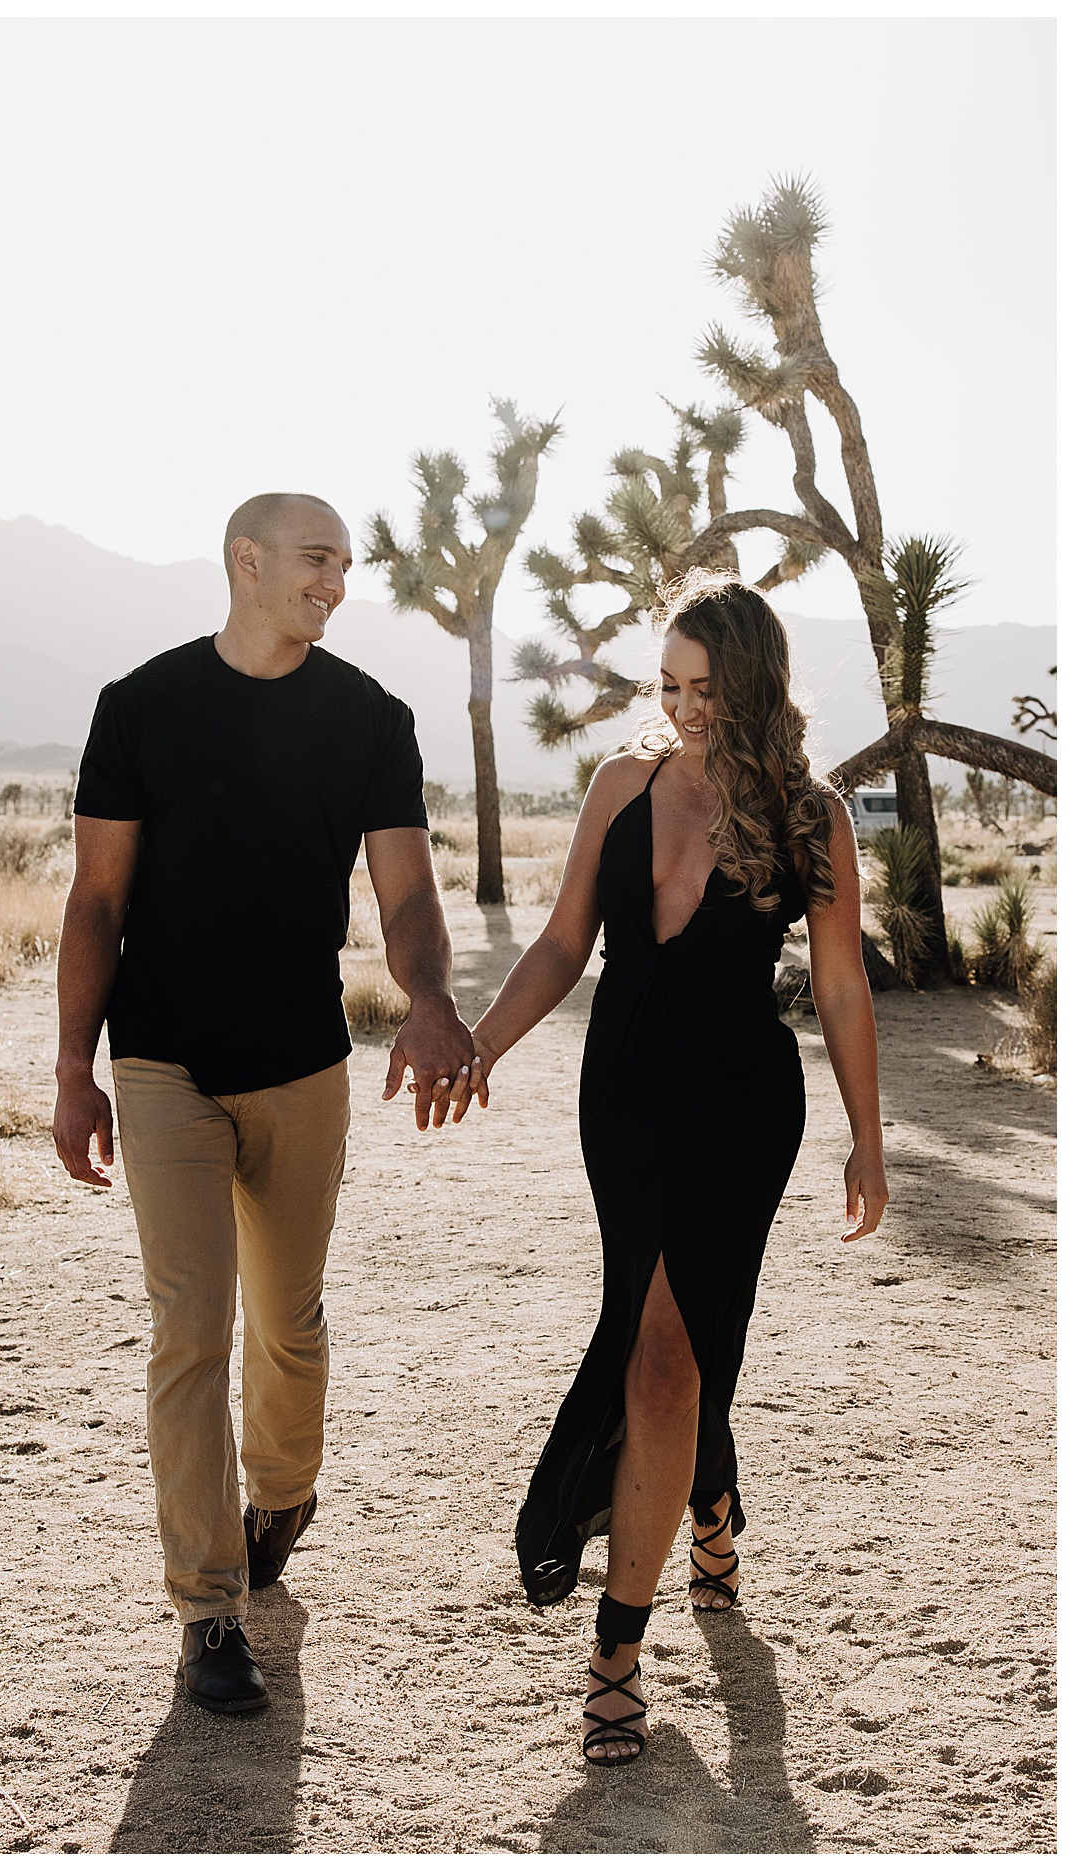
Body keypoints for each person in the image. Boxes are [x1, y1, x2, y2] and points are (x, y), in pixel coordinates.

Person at [52, 491, 481, 1717]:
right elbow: (96, 901)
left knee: (287, 1325)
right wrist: (72, 1068)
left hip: (302, 1062)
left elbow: (404, 895)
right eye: (313, 560)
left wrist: (432, 999)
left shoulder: (368, 719)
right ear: (244, 562)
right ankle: (207, 1607)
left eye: (344, 565)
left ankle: (280, 1495)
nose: (335, 583)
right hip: (163, 1061)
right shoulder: (138, 707)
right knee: (191, 1327)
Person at [469, 573, 887, 1765]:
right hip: (627, 1101)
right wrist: (482, 1045)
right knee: (670, 1330)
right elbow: (560, 942)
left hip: (739, 1106)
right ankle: (708, 1504)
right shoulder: (621, 783)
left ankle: (614, 1654)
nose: (684, 707)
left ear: (752, 684)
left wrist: (868, 1135)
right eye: (668, 685)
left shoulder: (812, 813)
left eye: (706, 687)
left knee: (662, 1352)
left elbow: (843, 979)